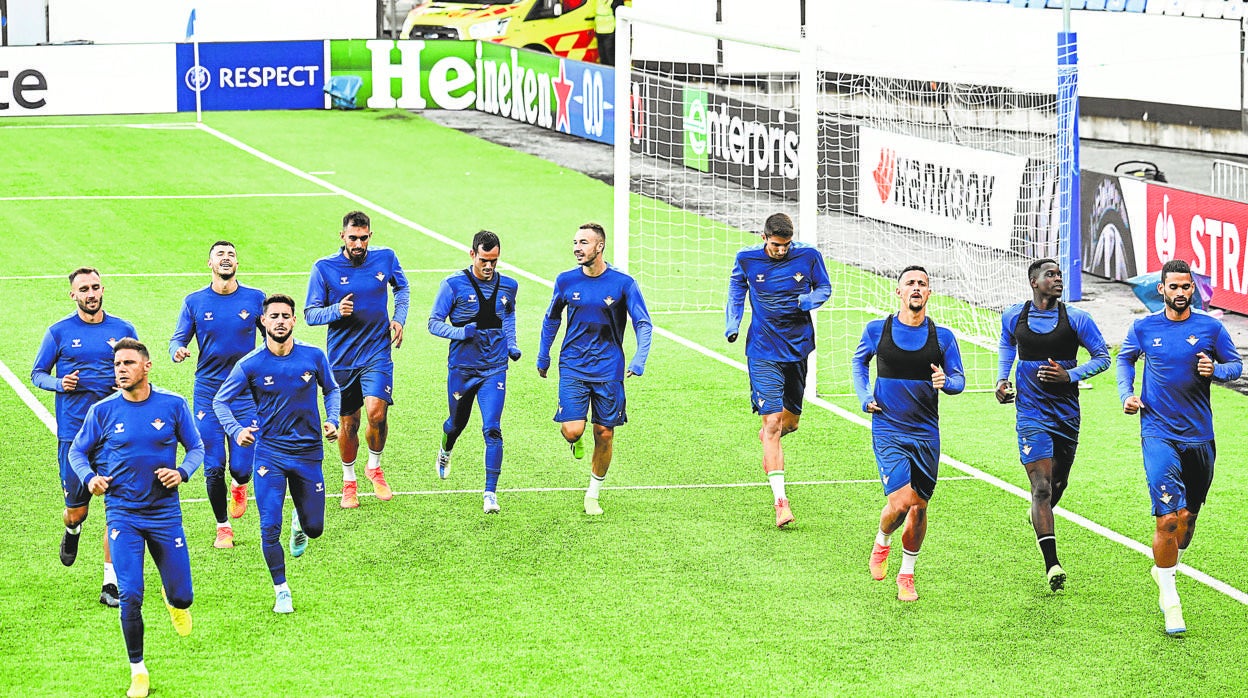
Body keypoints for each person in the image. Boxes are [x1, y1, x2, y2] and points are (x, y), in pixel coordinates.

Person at [68, 338, 203, 698]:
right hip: (122, 514)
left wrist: (182, 473)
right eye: (117, 364)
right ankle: (138, 670)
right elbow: (77, 451)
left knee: (184, 596)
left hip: (164, 514)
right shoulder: (103, 411)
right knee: (129, 594)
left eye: (128, 363)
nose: (121, 369)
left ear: (147, 366)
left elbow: (196, 447)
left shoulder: (173, 405)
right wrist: (90, 478)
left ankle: (173, 597)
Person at [1116, 259, 1241, 635]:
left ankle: (1165, 567)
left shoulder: (1210, 327)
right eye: (1174, 287)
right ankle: (1171, 601)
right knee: (1168, 517)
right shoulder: (1144, 327)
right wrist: (1128, 393)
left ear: (1193, 289)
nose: (1181, 293)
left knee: (1188, 521)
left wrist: (1215, 371)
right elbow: (1125, 359)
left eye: (1187, 287)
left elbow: (1235, 366)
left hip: (1199, 437)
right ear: (1162, 290)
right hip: (1158, 432)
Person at [213, 294, 341, 614]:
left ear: (294, 320)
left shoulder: (313, 356)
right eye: (274, 316)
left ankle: (301, 519)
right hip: (269, 453)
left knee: (315, 529)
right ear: (264, 322)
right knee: (269, 526)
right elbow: (220, 402)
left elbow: (332, 389)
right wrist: (237, 430)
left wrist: (333, 419)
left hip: (309, 453)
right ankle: (281, 589)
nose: (281, 320)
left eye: (286, 315)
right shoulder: (251, 364)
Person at [996, 259, 1110, 592]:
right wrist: (1003, 378)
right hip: (1031, 415)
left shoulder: (1077, 319)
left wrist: (1069, 376)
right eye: (1051, 275)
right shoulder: (1014, 316)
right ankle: (1052, 565)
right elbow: (1007, 342)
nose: (1058, 279)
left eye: (1060, 275)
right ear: (1034, 282)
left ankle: (1039, 513)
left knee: (1058, 484)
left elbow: (1103, 357)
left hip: (1066, 416)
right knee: (1042, 488)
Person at [853, 266, 965, 602]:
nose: (916, 288)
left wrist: (948, 383)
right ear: (898, 292)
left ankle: (907, 574)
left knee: (919, 507)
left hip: (926, 432)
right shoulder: (878, 330)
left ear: (929, 294)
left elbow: (959, 379)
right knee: (900, 503)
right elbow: (859, 363)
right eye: (910, 283)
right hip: (889, 427)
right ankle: (882, 541)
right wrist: (864, 396)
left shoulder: (942, 337)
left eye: (922, 284)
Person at [31, 267, 138, 608]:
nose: (91, 294)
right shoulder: (59, 333)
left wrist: (125, 383)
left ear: (102, 289)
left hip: (114, 435)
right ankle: (73, 531)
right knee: (76, 512)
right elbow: (37, 374)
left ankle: (111, 583)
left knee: (116, 510)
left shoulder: (123, 329)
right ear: (73, 295)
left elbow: (138, 369)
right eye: (83, 290)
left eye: (95, 287)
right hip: (75, 436)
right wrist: (59, 384)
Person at [537, 222, 652, 516]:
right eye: (575, 242)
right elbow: (551, 319)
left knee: (604, 433)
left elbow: (643, 322)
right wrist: (543, 355)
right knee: (573, 431)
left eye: (583, 242)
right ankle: (574, 442)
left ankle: (593, 493)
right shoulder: (565, 281)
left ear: (599, 246)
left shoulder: (623, 283)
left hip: (609, 368)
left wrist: (639, 359)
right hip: (573, 365)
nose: (577, 248)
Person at [725, 213, 831, 528]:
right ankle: (781, 503)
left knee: (790, 423)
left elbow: (824, 288)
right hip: (762, 350)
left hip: (797, 348)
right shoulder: (746, 259)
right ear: (764, 237)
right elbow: (735, 292)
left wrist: (809, 300)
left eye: (785, 245)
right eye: (775, 245)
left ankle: (770, 440)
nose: (781, 251)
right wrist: (732, 324)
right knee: (772, 422)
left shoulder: (809, 255)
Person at [305, 211, 409, 509]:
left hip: (377, 351)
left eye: (364, 238)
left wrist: (399, 319)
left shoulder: (386, 258)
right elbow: (311, 314)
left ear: (370, 236)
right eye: (353, 238)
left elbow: (402, 288)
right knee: (348, 424)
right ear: (342, 237)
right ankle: (349, 480)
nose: (359, 244)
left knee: (377, 414)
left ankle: (374, 466)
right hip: (342, 358)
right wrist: (336, 310)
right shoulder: (323, 268)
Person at [169, 241, 266, 549]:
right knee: (213, 465)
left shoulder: (255, 299)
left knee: (241, 467)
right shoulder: (195, 301)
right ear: (209, 263)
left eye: (232, 255)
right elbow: (177, 337)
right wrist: (178, 351)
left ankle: (240, 485)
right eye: (220, 255)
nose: (227, 259)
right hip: (208, 393)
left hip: (244, 393)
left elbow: (273, 338)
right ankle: (222, 527)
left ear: (237, 263)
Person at [427, 231, 522, 513]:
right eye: (484, 260)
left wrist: (512, 344)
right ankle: (446, 450)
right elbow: (433, 323)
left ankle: (490, 493)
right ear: (472, 255)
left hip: (494, 369)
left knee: (492, 428)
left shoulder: (509, 286)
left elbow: (509, 315)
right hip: (462, 369)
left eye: (494, 260)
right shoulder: (453, 285)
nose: (489, 266)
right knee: (456, 424)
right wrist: (459, 332)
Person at [594, 0, 626, 66]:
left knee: (609, 57)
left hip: (609, 31)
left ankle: (613, 74)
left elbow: (620, 15)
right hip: (600, 31)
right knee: (604, 56)